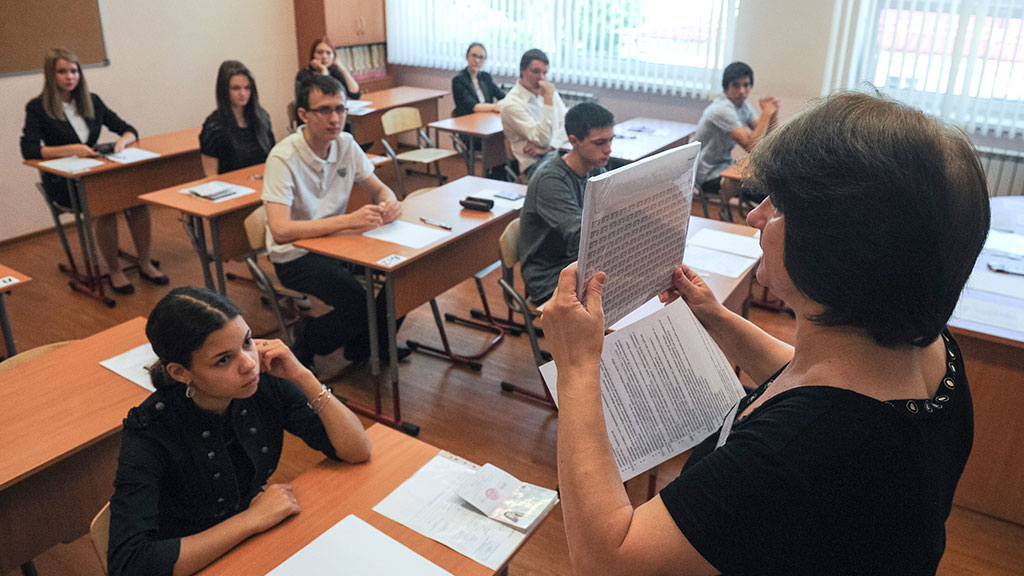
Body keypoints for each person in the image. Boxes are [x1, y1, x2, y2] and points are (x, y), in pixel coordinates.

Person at [543, 92, 989, 575]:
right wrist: (716, 316)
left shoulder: (792, 454)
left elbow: (605, 561)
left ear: (835, 248)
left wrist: (577, 366)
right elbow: (807, 382)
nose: (756, 215)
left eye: (778, 208)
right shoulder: (928, 350)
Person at [107, 286, 371, 576]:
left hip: (253, 544)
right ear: (181, 373)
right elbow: (129, 564)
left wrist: (303, 376)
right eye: (223, 359)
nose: (249, 364)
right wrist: (251, 520)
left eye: (247, 342)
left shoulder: (262, 382)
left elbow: (357, 450)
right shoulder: (149, 431)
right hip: (195, 562)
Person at [263, 75, 408, 368]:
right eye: (325, 110)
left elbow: (380, 189)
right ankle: (309, 336)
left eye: (340, 109)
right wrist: (348, 222)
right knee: (358, 304)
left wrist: (389, 203)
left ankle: (366, 345)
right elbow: (280, 231)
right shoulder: (283, 158)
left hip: (337, 243)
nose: (335, 118)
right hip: (295, 255)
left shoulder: (346, 144)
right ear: (303, 115)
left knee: (402, 273)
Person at [20, 47, 168, 294]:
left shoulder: (92, 101)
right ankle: (115, 271)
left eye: (74, 71)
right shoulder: (37, 107)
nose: (70, 77)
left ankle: (145, 262)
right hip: (64, 182)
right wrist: (70, 150)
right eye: (62, 72)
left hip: (95, 173)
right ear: (50, 75)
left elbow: (128, 129)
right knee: (106, 206)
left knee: (138, 201)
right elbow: (29, 149)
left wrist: (122, 142)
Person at [519, 102, 614, 305]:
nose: (608, 149)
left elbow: (612, 214)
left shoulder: (596, 169)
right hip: (548, 274)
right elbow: (582, 235)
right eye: (599, 143)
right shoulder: (550, 180)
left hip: (578, 262)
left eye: (610, 140)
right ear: (574, 141)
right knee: (621, 291)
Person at [694, 61, 778, 199]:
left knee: (774, 184)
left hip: (725, 166)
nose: (742, 91)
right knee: (769, 192)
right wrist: (766, 114)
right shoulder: (722, 109)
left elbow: (768, 140)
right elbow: (752, 146)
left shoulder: (742, 105)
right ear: (726, 87)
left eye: (746, 85)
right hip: (707, 175)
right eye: (736, 85)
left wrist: (773, 114)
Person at [500, 48, 569, 180]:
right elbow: (542, 140)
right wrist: (548, 100)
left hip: (557, 152)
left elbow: (568, 125)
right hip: (534, 163)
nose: (541, 78)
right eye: (535, 72)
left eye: (545, 73)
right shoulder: (512, 103)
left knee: (594, 166)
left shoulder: (549, 93)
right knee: (572, 176)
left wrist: (550, 147)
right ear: (522, 70)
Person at [199, 60, 275, 176]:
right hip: (231, 185)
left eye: (247, 88)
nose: (243, 93)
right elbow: (211, 176)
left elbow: (272, 159)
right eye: (236, 88)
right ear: (224, 90)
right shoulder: (213, 127)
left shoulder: (262, 118)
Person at [294, 36, 360, 102]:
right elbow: (323, 98)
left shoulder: (334, 71)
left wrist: (343, 69)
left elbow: (355, 94)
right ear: (313, 55)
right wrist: (323, 71)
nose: (324, 56)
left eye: (328, 53)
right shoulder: (304, 74)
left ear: (334, 56)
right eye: (320, 52)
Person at [452, 42, 504, 117]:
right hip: (467, 120)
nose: (477, 60)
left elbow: (502, 96)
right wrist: (495, 106)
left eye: (481, 57)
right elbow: (474, 106)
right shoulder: (459, 80)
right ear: (467, 57)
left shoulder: (485, 77)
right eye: (474, 56)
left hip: (486, 118)